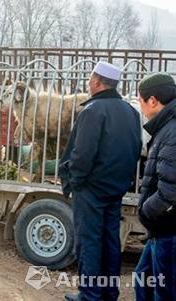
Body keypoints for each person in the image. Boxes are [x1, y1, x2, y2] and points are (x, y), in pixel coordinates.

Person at [59, 61, 142, 301]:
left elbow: (82, 154)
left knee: (89, 242)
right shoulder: (131, 112)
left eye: (89, 79)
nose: (88, 83)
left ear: (96, 82)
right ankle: (108, 292)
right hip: (115, 188)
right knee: (110, 241)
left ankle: (89, 294)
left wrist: (75, 180)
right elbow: (135, 148)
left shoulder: (92, 110)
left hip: (91, 190)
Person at [134, 73, 176, 301]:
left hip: (168, 229)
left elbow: (171, 191)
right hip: (161, 230)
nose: (140, 107)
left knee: (164, 292)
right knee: (144, 278)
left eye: (140, 101)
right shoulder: (166, 127)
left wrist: (146, 211)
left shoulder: (172, 131)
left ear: (153, 100)